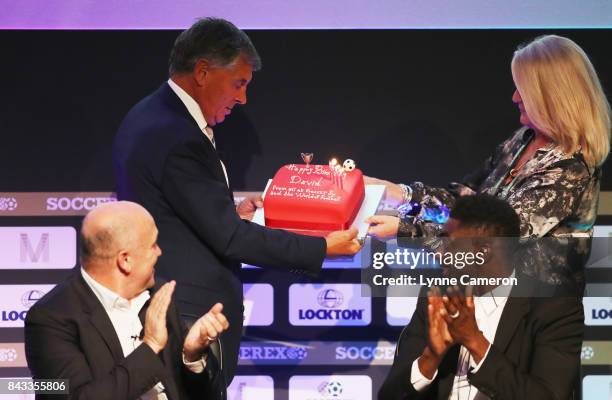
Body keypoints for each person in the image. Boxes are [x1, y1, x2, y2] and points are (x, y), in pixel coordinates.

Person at [112, 17, 361, 384]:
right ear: (202, 72)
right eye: (238, 83)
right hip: (187, 319)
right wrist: (321, 247)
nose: (243, 98)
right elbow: (230, 238)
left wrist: (227, 213)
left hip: (176, 310)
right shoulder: (177, 134)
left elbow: (171, 213)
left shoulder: (149, 114)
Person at [366, 35, 611, 293]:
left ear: (552, 95)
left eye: (523, 89)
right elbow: (466, 202)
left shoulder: (570, 167)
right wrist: (400, 193)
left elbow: (498, 238)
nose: (515, 97)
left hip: (534, 316)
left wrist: (406, 231)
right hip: (489, 301)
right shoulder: (521, 140)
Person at [378, 194, 584, 400]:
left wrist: (475, 341)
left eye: (450, 244)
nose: (441, 252)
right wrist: (430, 357)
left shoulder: (554, 308)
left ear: (482, 252)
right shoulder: (438, 297)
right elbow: (390, 396)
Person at [25, 201, 229, 400]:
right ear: (125, 260)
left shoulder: (158, 294)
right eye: (153, 245)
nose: (159, 252)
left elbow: (201, 393)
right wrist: (150, 346)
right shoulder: (50, 319)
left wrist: (191, 356)